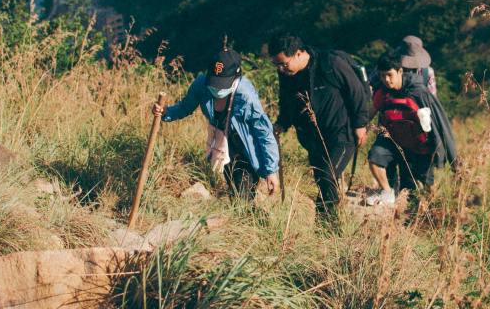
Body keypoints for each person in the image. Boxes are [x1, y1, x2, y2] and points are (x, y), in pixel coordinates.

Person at [268, 33, 371, 220]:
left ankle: (326, 225)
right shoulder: (287, 74)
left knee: (327, 176)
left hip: (342, 133)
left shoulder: (330, 64)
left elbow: (356, 91)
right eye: (277, 65)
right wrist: (282, 123)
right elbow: (287, 101)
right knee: (323, 180)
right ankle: (334, 222)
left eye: (284, 63)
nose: (281, 69)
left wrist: (360, 123)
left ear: (299, 53)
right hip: (312, 137)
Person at [153, 46, 280, 197]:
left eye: (222, 84)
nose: (217, 89)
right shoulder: (202, 85)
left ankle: (250, 217)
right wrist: (166, 112)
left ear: (236, 77)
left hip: (246, 147)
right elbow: (185, 107)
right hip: (222, 145)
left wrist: (271, 170)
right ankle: (245, 214)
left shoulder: (246, 97)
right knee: (233, 186)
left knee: (242, 192)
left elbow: (264, 133)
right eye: (214, 83)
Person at [365, 51, 456, 206]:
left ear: (400, 71)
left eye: (389, 75)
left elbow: (440, 124)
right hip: (392, 142)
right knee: (374, 157)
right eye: (382, 76)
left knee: (420, 188)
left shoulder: (419, 92)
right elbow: (369, 113)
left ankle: (433, 210)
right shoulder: (383, 93)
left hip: (419, 147)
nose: (386, 80)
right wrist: (358, 129)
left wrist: (451, 158)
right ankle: (387, 193)